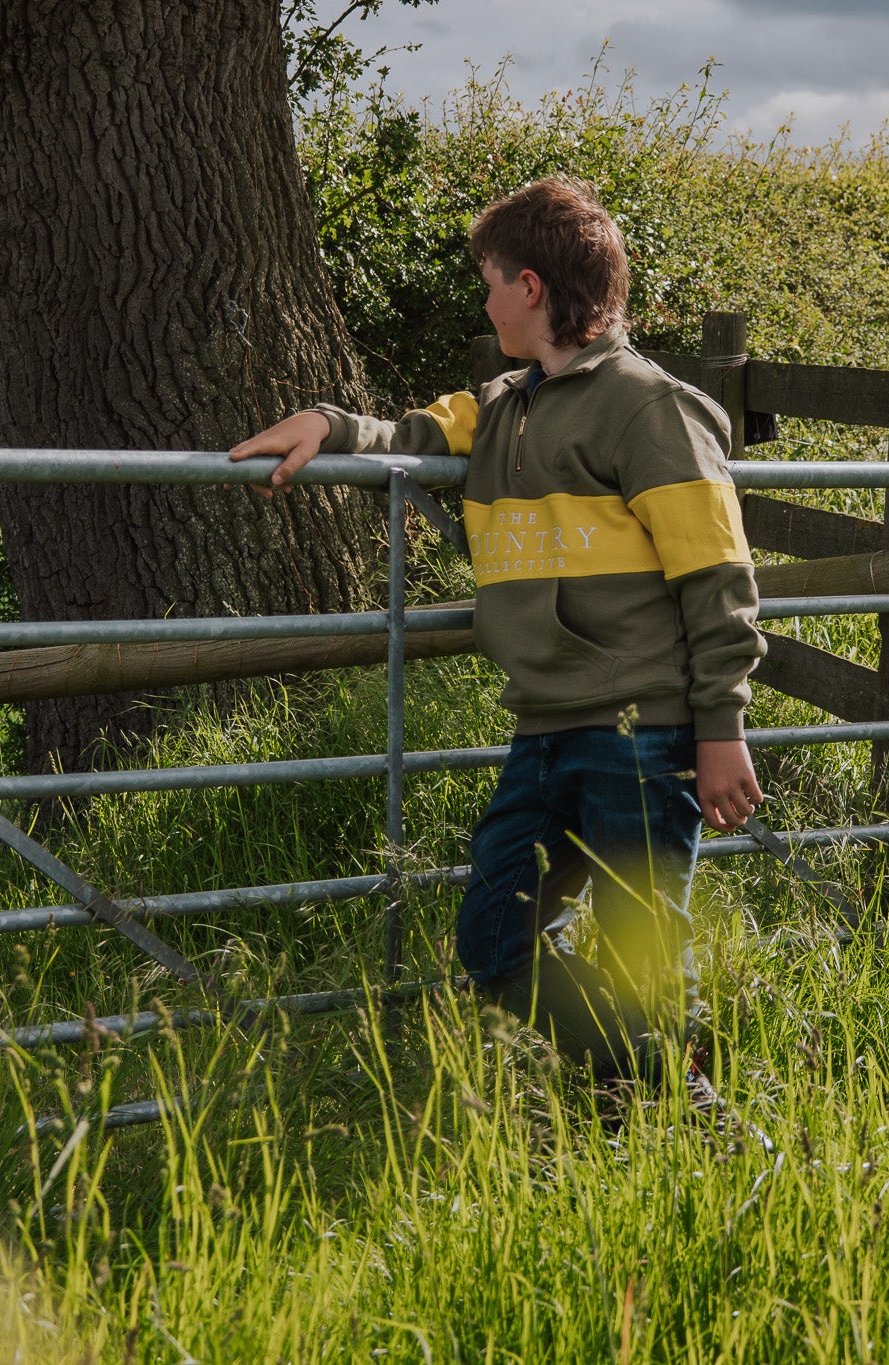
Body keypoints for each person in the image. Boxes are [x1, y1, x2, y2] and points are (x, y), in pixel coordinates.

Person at [230, 176, 766, 1104]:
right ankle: (648, 1086)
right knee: (494, 936)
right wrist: (326, 422)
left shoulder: (649, 408)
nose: (483, 300)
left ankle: (675, 1118)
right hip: (547, 723)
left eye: (488, 281)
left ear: (529, 288)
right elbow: (414, 432)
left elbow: (717, 577)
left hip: (643, 729)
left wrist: (720, 727)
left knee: (642, 938)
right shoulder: (505, 403)